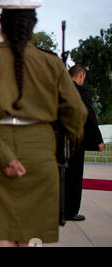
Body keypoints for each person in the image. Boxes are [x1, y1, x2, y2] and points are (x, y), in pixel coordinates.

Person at [0, 1, 87, 247]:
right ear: (33, 25)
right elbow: (77, 113)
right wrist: (63, 148)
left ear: (1, 26)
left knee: (1, 233)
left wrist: (5, 156)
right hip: (40, 154)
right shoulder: (53, 64)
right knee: (32, 236)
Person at [64, 65, 105, 222]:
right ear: (80, 75)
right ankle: (70, 211)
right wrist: (98, 140)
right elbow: (89, 116)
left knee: (60, 176)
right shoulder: (80, 91)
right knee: (74, 176)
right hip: (74, 141)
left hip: (57, 140)